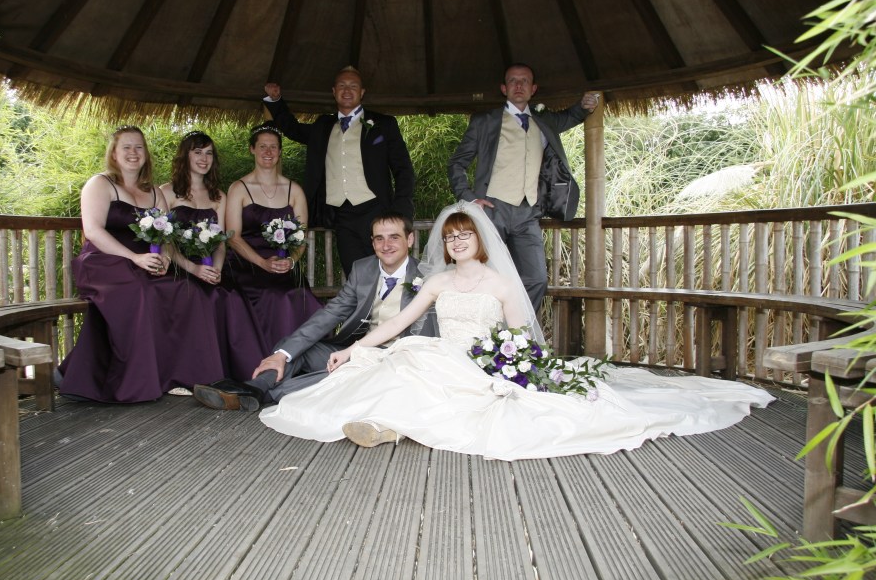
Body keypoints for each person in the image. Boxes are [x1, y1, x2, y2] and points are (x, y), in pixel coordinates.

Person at [259, 201, 775, 461]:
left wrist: (513, 367)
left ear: (480, 243)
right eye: (451, 237)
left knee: (430, 373)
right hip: (442, 354)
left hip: (484, 361)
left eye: (465, 237)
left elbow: (522, 339)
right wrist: (354, 351)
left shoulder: (505, 286)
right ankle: (383, 421)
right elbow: (397, 321)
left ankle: (390, 426)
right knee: (403, 357)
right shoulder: (435, 282)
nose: (458, 243)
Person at [193, 211, 437, 411]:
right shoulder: (363, 269)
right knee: (293, 346)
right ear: (372, 242)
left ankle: (255, 393)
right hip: (352, 351)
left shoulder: (427, 277)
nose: (386, 245)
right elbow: (329, 314)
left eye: (394, 237)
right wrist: (282, 354)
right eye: (379, 238)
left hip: (394, 363)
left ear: (410, 239)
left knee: (343, 375)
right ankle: (256, 386)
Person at [58, 125, 226, 403]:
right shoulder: (100, 184)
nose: (133, 153)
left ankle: (177, 375)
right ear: (113, 152)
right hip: (104, 261)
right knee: (140, 291)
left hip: (146, 261)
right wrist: (135, 257)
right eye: (127, 147)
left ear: (146, 154)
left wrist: (165, 260)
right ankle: (132, 380)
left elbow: (167, 236)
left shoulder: (153, 193)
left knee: (186, 291)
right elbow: (94, 231)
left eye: (139, 147)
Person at [447, 63, 599, 312]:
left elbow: (571, 116)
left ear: (533, 89)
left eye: (524, 81)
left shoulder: (544, 119)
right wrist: (470, 199)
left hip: (529, 213)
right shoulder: (485, 121)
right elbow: (457, 163)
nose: (519, 85)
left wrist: (583, 106)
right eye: (513, 81)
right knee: (485, 277)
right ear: (504, 88)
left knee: (536, 279)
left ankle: (515, 338)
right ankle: (484, 338)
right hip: (492, 210)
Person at [264, 66, 415, 272]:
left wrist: (400, 212)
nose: (347, 90)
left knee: (388, 272)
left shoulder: (383, 124)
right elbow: (293, 129)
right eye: (342, 86)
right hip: (341, 216)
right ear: (334, 91)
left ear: (362, 92)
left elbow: (403, 169)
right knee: (355, 275)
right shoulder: (322, 126)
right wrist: (276, 101)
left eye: (353, 86)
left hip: (377, 211)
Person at [161, 130, 263, 382]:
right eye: (197, 152)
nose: (204, 158)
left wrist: (216, 268)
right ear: (184, 156)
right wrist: (192, 269)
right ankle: (190, 374)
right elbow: (164, 242)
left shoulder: (218, 196)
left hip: (210, 267)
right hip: (178, 268)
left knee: (229, 295)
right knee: (194, 296)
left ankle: (240, 372)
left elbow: (220, 242)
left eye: (208, 153)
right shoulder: (166, 192)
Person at [222, 123, 323, 354]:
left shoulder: (294, 190)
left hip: (283, 264)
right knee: (271, 296)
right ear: (252, 150)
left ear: (279, 152)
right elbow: (233, 237)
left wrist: (292, 261)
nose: (268, 152)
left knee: (298, 295)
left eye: (273, 147)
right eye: (262, 146)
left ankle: (300, 358)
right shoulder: (238, 188)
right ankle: (263, 358)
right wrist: (261, 263)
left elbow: (301, 236)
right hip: (246, 264)